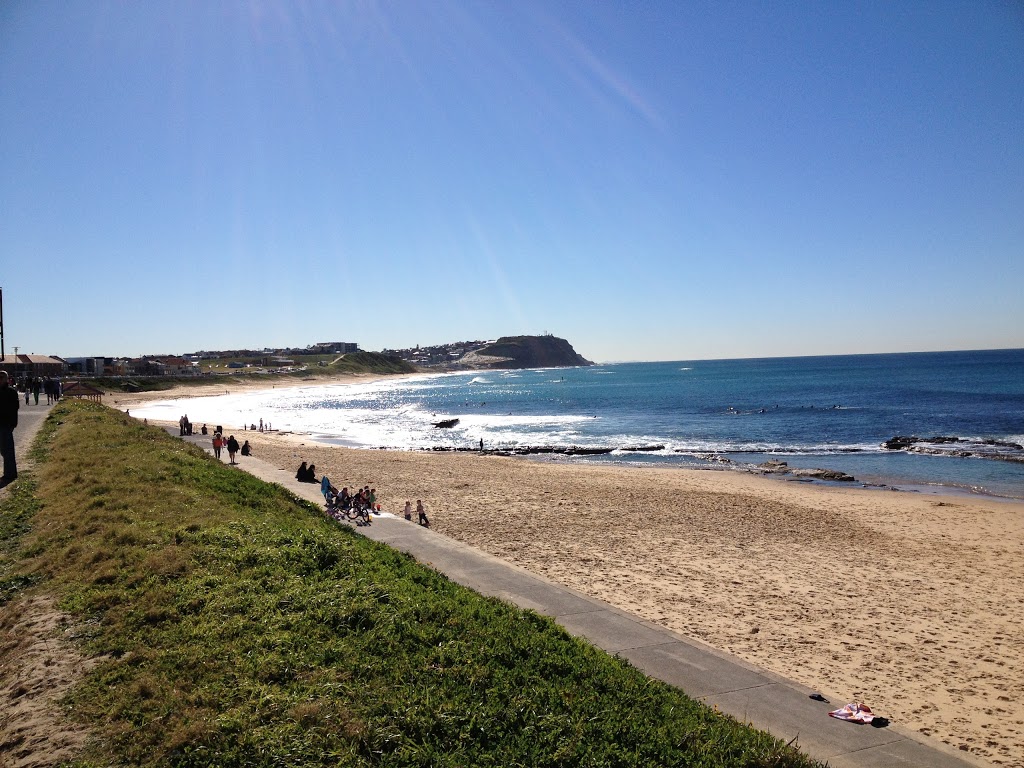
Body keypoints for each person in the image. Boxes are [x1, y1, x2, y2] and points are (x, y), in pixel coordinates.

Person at [0, 371, 19, 488]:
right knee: (3, 450)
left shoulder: (11, 392)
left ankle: (10, 474)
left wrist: (12, 423)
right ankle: (9, 473)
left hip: (6, 424)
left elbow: (15, 407)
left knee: (7, 450)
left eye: (1, 377)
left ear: (6, 379)